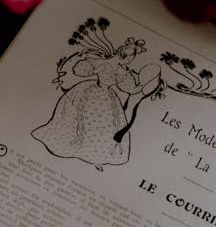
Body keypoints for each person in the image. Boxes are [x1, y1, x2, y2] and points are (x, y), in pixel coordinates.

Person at [32, 36, 158, 169]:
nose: (129, 61)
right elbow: (130, 89)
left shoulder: (114, 68)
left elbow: (129, 88)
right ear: (126, 57)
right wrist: (144, 85)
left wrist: (146, 84)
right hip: (96, 94)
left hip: (99, 94)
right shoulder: (110, 67)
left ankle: (94, 154)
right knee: (90, 121)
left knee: (96, 124)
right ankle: (85, 151)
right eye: (130, 58)